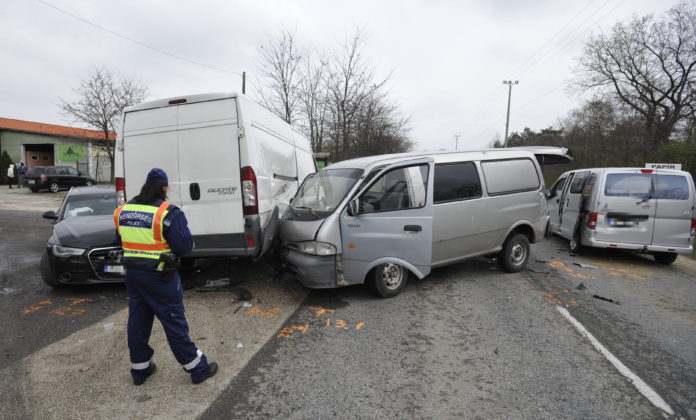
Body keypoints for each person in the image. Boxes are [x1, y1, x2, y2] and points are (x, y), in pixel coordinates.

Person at [113, 168, 218, 385]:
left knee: (138, 321)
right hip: (160, 277)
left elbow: (120, 240)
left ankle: (140, 370)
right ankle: (197, 368)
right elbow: (184, 247)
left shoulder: (123, 211)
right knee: (173, 321)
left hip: (133, 275)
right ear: (163, 188)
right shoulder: (168, 213)